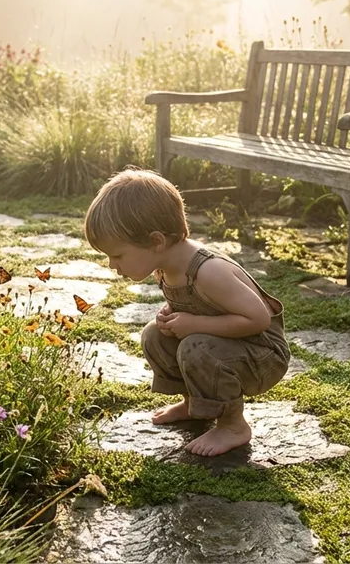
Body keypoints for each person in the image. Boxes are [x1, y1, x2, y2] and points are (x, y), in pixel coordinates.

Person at [84, 168, 289, 456]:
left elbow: (258, 319)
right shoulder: (167, 264)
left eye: (117, 255)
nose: (111, 265)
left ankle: (233, 425)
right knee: (155, 335)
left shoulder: (208, 271)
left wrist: (194, 323)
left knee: (196, 346)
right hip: (229, 346)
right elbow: (198, 304)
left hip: (263, 355)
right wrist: (174, 313)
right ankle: (196, 405)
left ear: (157, 241)